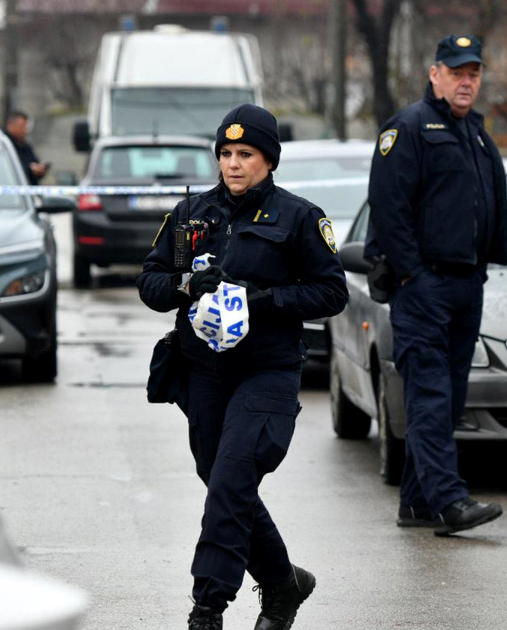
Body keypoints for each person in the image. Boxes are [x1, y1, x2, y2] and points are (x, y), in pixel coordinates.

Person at [137, 104, 348, 630]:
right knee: (221, 481)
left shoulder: (299, 217)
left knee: (231, 481)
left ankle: (207, 608)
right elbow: (150, 281)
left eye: (245, 154)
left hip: (267, 372)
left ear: (269, 160)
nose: (233, 164)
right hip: (203, 375)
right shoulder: (190, 215)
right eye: (226, 154)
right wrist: (186, 286)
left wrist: (263, 300)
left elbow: (331, 291)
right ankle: (283, 585)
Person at [365, 34, 507, 535]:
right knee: (428, 395)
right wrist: (411, 273)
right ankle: (449, 501)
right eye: (456, 72)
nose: (466, 81)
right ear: (435, 74)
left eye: (473, 73)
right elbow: (389, 206)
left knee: (446, 398)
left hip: (467, 282)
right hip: (423, 285)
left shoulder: (475, 132)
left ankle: (416, 500)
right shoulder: (408, 128)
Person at [3, 110, 48, 184]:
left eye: (26, 127)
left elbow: (34, 161)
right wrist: (29, 170)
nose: (25, 130)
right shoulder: (2, 144)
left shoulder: (25, 146)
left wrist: (39, 170)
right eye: (22, 127)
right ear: (11, 125)